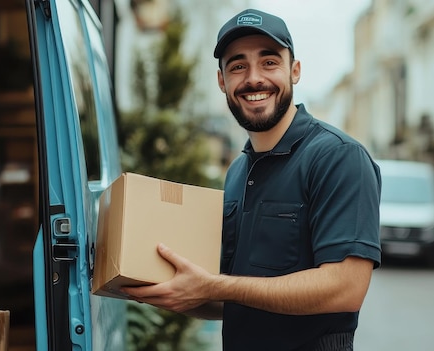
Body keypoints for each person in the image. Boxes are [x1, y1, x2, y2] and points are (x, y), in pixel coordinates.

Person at [121, 8, 382, 351]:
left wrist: (215, 287)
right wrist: (165, 290)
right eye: (238, 66)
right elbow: (236, 297)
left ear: (295, 71)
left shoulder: (338, 157)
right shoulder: (237, 173)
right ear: (222, 81)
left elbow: (345, 288)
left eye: (269, 62)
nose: (254, 78)